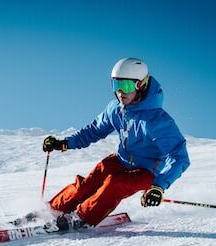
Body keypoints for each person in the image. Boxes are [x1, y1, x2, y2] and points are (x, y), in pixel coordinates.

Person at [42, 57, 190, 231]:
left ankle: (81, 218)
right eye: (115, 85)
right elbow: (93, 131)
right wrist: (64, 143)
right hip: (121, 160)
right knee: (89, 183)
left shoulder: (157, 120)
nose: (120, 92)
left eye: (126, 86)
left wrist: (159, 186)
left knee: (115, 184)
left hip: (148, 171)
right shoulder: (115, 109)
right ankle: (53, 210)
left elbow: (178, 157)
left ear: (140, 85)